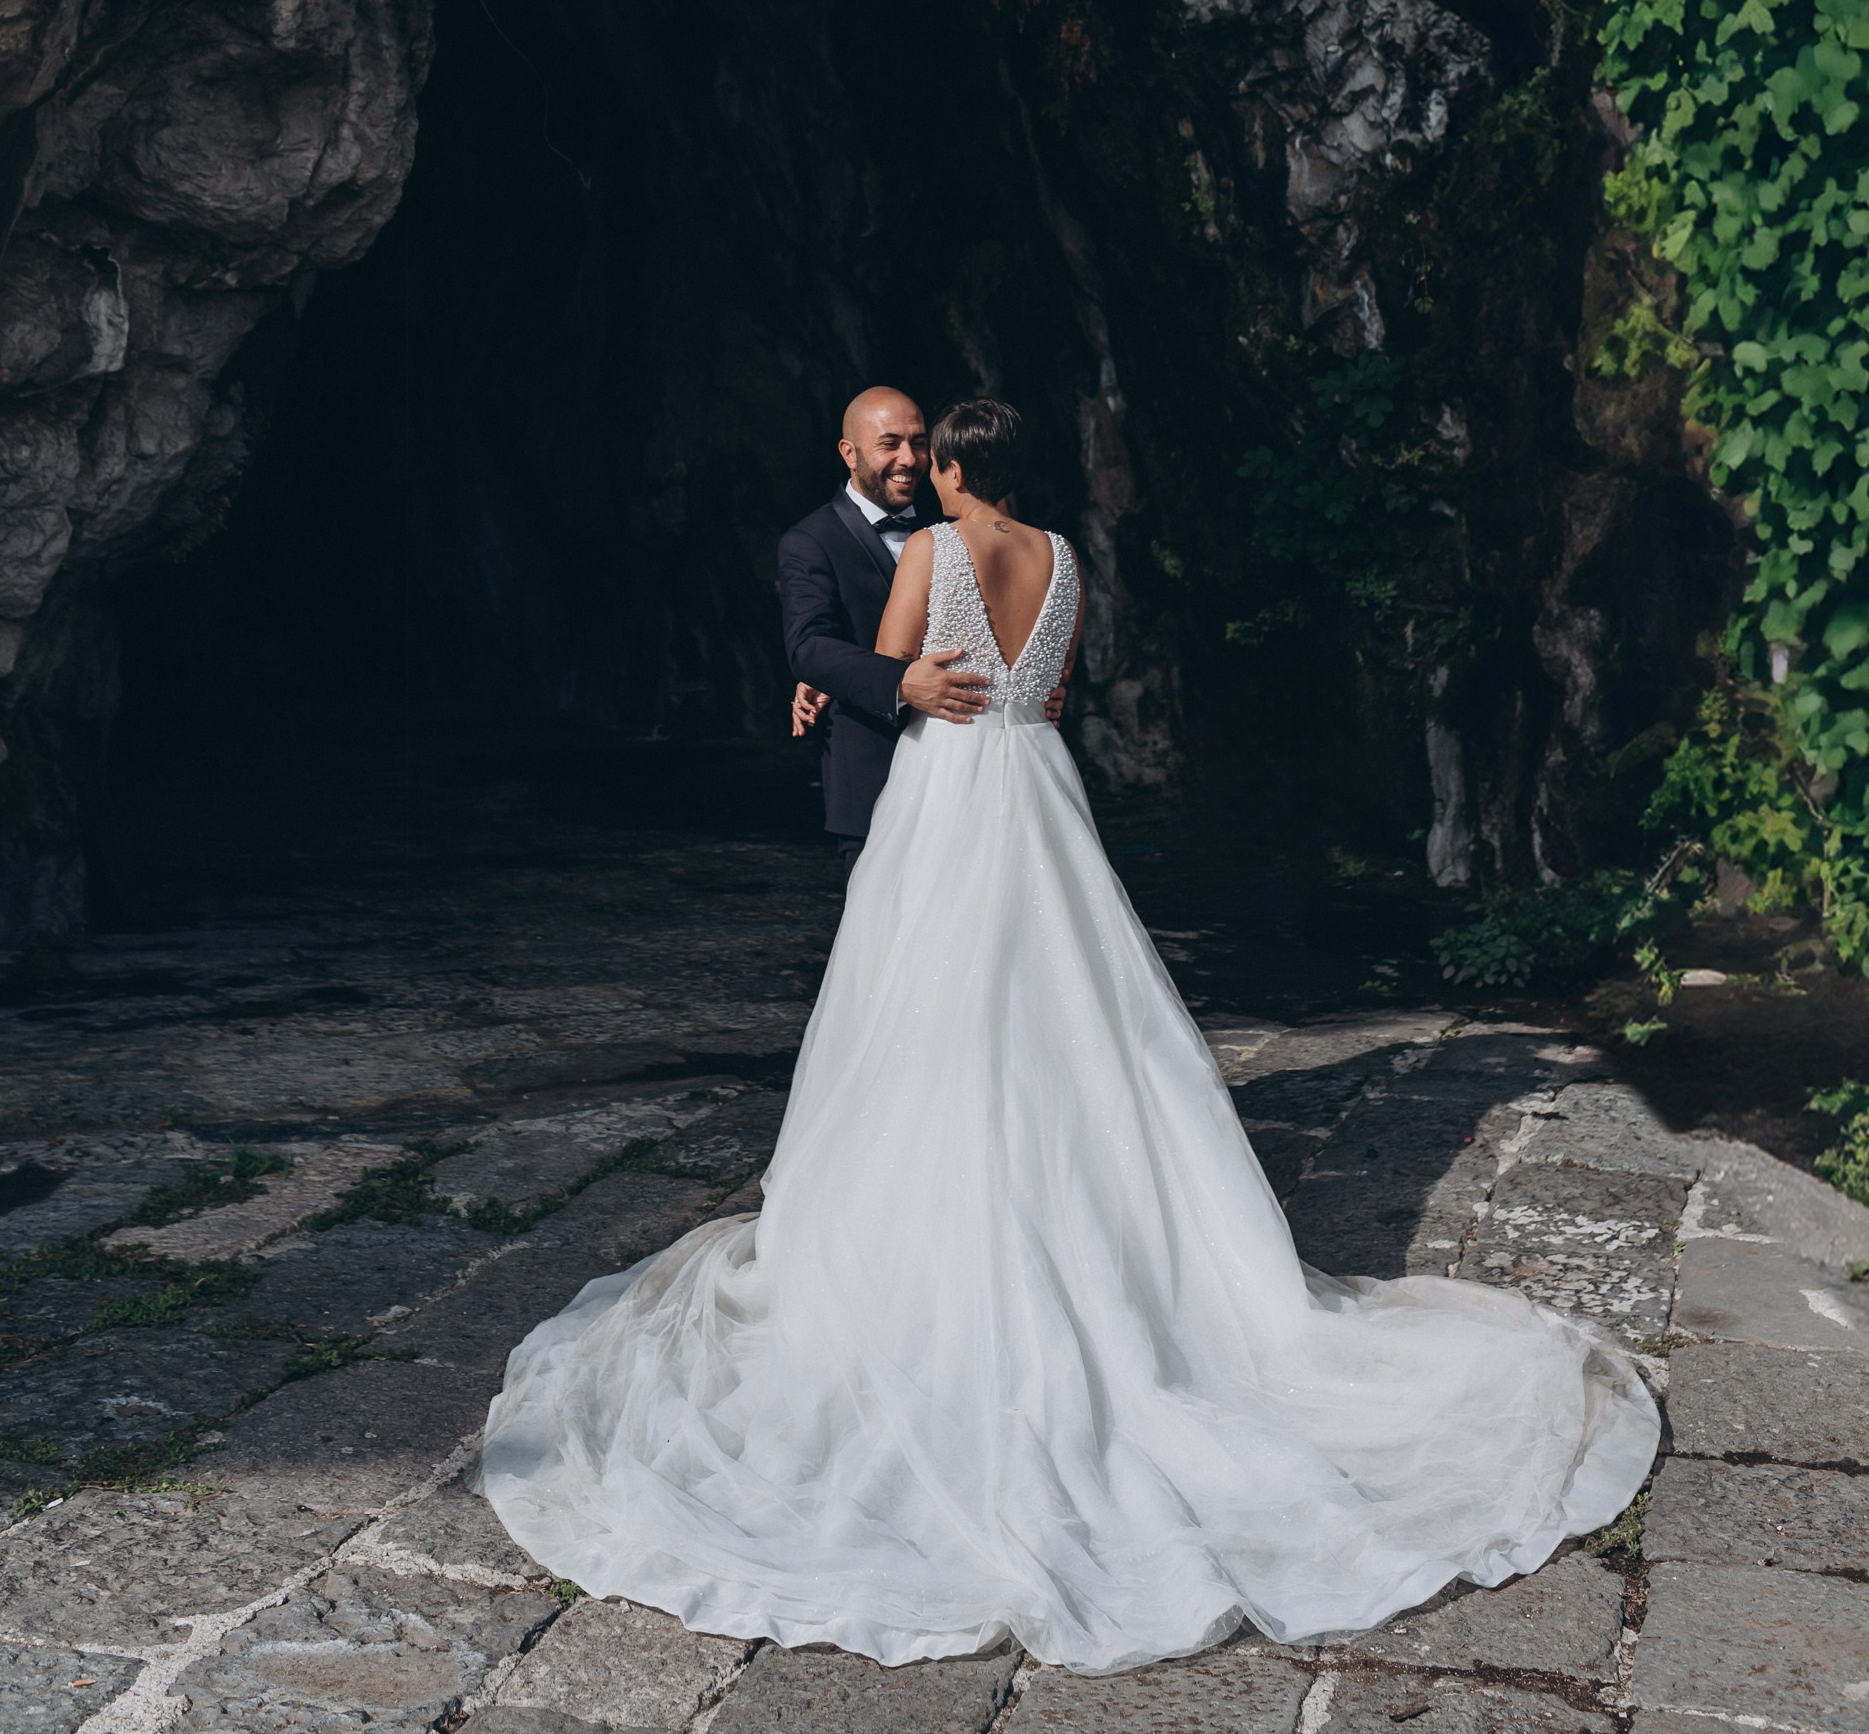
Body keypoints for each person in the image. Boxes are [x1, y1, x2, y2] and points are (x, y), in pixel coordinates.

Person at [479, 397, 1657, 1675]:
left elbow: (898, 674)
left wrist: (832, 696)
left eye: (924, 454)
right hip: (1036, 791)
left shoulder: (928, 552)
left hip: (946, 798)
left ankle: (920, 1236)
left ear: (942, 466)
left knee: (918, 1017)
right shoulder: (1067, 560)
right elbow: (1044, 688)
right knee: (1067, 1020)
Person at [774, 385, 985, 872]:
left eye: (918, 442)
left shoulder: (955, 524)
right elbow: (808, 646)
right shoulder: (809, 541)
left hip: (966, 765)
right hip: (871, 773)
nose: (908, 458)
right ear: (849, 453)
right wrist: (895, 681)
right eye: (889, 444)